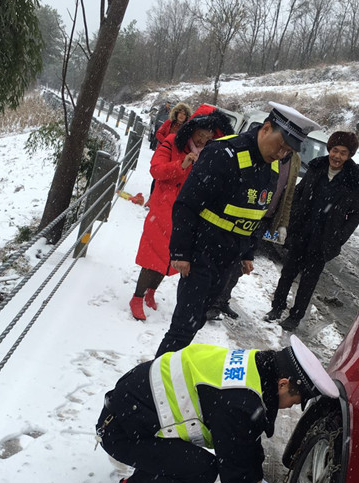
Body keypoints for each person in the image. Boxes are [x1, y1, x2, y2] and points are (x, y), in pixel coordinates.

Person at [95, 336, 340, 483]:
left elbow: (247, 438)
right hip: (121, 431)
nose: (290, 408)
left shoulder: (256, 370)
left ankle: (151, 473)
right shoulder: (239, 402)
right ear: (283, 384)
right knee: (202, 470)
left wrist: (257, 480)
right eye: (295, 401)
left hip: (134, 415)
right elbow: (234, 469)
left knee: (197, 462)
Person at [155, 102, 320, 357]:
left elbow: (255, 214)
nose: (281, 155)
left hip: (228, 257)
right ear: (266, 129)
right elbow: (186, 204)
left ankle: (170, 371)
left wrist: (247, 253)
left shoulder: (273, 166)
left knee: (198, 319)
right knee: (182, 328)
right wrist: (180, 252)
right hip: (202, 251)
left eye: (288, 151)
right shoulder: (223, 154)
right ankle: (152, 384)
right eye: (281, 146)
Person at [130, 110, 233, 321]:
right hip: (162, 208)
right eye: (200, 135)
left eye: (208, 137)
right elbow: (156, 171)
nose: (203, 140)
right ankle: (137, 297)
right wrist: (181, 164)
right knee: (153, 257)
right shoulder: (171, 142)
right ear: (192, 130)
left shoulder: (208, 154)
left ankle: (151, 293)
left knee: (169, 257)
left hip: (185, 213)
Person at [265, 131, 359, 331]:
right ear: (329, 149)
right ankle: (276, 308)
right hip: (302, 231)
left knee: (308, 282)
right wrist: (290, 222)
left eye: (343, 153)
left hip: (324, 240)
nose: (337, 156)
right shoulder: (316, 168)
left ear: (349, 155)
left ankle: (295, 317)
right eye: (335, 150)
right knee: (288, 272)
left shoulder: (354, 182)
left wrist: (338, 239)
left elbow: (355, 215)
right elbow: (299, 193)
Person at [206, 148, 303, 320]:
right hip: (246, 211)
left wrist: (283, 223)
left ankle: (222, 300)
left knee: (242, 264)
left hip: (265, 218)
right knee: (229, 257)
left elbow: (288, 196)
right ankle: (211, 301)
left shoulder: (295, 160)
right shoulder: (269, 150)